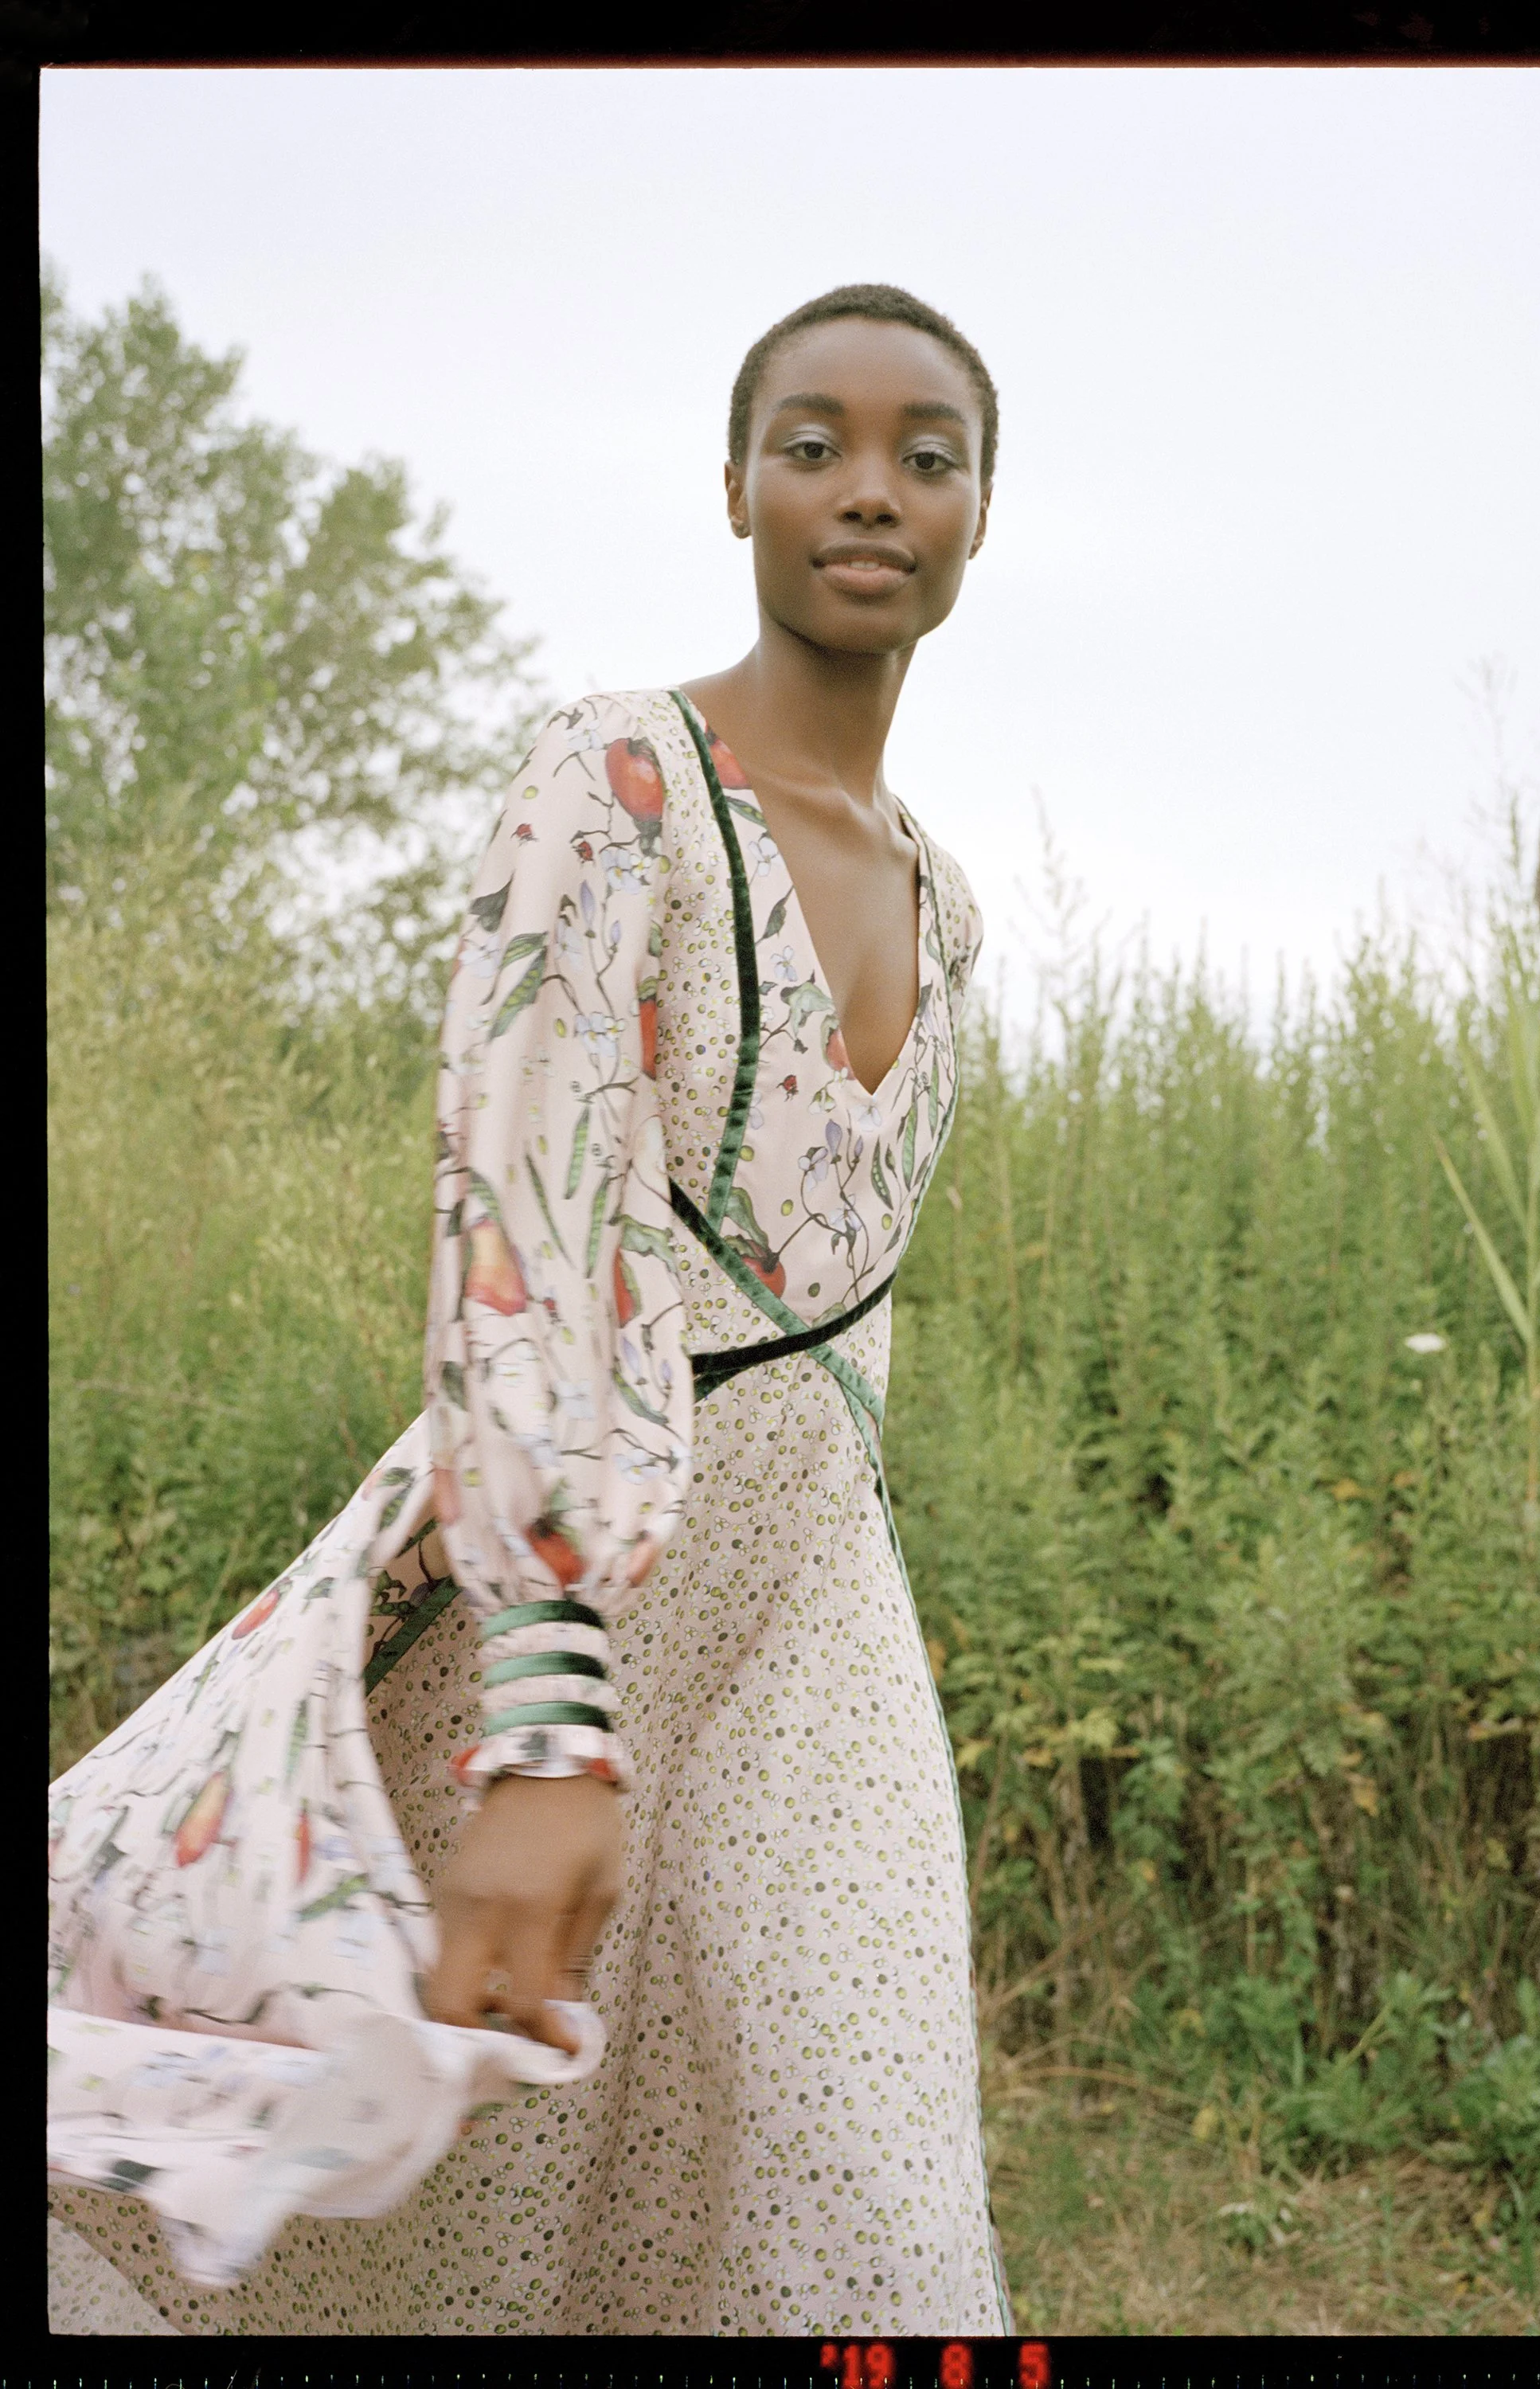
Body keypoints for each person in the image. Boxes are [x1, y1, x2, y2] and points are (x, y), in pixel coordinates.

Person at [49, 282, 1015, 2336]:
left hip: (813, 1619)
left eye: (926, 456)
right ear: (734, 489)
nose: (868, 492)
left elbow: (848, 1324)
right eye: (813, 444)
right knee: (427, 2194)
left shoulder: (953, 895)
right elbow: (531, 1217)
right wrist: (549, 1718)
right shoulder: (613, 779)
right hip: (552, 1596)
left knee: (865, 2187)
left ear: (981, 515)